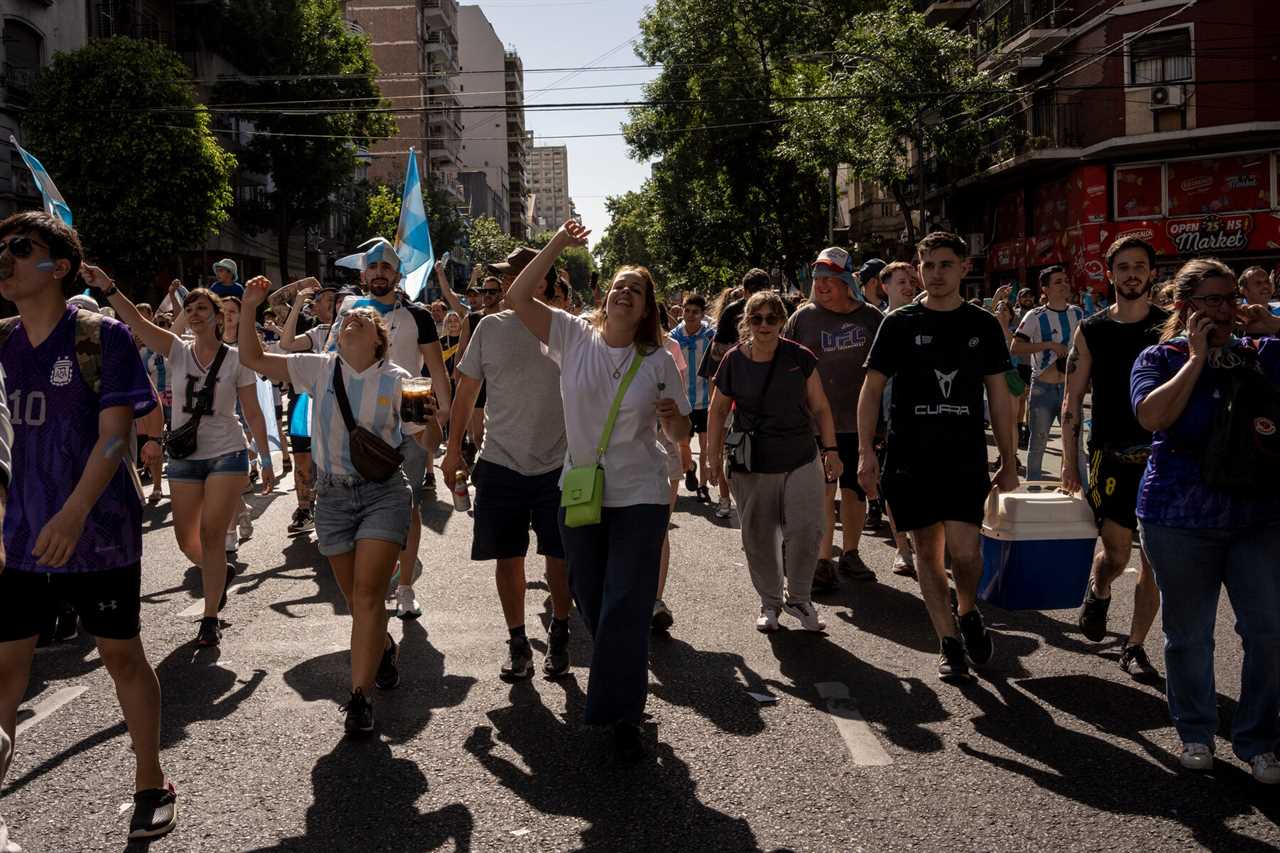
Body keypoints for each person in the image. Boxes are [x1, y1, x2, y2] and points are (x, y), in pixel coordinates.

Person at [0, 212, 176, 842]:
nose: (8, 258)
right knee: (5, 667)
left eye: (22, 248)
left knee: (121, 656)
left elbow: (115, 438)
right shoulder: (1, 345)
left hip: (98, 535)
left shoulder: (101, 338)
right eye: (3, 249)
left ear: (61, 266)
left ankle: (150, 779)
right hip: (17, 541)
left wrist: (73, 513)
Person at [505, 220, 691, 762]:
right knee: (588, 593)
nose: (624, 292)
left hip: (641, 494)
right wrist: (559, 244)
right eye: (618, 285)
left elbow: (681, 435)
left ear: (646, 307)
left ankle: (624, 711)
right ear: (604, 298)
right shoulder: (571, 336)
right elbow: (519, 294)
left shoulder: (657, 360)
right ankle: (623, 685)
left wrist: (674, 417)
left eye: (636, 288)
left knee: (628, 601)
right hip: (581, 490)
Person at [238, 276, 439, 734]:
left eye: (364, 318)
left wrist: (433, 424)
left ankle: (359, 697)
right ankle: (383, 646)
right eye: (348, 315)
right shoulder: (318, 368)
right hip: (330, 497)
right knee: (355, 600)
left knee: (369, 596)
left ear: (379, 342)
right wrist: (250, 307)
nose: (353, 318)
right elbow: (252, 358)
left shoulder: (399, 382)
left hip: (382, 494)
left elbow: (427, 441)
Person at [1131, 257, 1280, 783]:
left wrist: (1275, 329)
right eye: (1211, 300)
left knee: (1268, 630)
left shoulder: (1263, 354)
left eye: (1229, 299)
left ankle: (1259, 739)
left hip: (1256, 516)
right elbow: (1152, 416)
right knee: (1189, 633)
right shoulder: (1159, 356)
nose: (1223, 310)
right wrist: (1195, 360)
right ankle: (1195, 731)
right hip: (1178, 517)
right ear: (1184, 307)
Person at [857, 231, 1019, 682]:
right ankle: (948, 641)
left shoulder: (982, 325)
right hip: (910, 454)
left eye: (946, 264)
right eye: (928, 266)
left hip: (964, 455)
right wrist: (865, 453)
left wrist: (1009, 457)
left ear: (964, 267)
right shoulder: (899, 323)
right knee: (927, 552)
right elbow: (870, 391)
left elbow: (1000, 395)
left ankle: (967, 610)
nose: (936, 274)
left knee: (967, 554)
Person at [104, 273, 274, 646]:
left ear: (218, 317)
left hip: (227, 455)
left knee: (213, 535)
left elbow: (253, 413)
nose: (194, 313)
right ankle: (218, 572)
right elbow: (136, 322)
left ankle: (209, 617)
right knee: (186, 540)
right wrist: (110, 287)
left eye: (202, 308)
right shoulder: (177, 350)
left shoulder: (236, 360)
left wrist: (266, 458)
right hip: (183, 457)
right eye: (190, 308)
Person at [440, 258, 574, 682]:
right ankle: (518, 642)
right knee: (508, 555)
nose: (509, 282)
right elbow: (466, 392)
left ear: (543, 281)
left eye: (521, 273)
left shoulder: (565, 327)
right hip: (499, 462)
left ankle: (560, 631)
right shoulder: (489, 328)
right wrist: (452, 449)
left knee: (559, 557)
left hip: (557, 465)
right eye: (510, 275)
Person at [327, 239, 452, 621]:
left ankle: (406, 588)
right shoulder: (349, 312)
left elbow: (435, 369)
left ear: (398, 274)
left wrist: (443, 414)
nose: (380, 272)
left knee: (407, 505)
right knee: (357, 508)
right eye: (373, 266)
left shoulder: (417, 316)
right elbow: (330, 361)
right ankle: (376, 579)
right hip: (356, 430)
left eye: (387, 266)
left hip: (406, 426)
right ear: (363, 275)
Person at [1062, 236, 1166, 681]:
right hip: (1110, 456)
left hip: (1165, 459)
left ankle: (1136, 645)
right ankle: (1099, 587)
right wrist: (1069, 462)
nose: (1131, 274)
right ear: (1109, 275)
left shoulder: (1172, 327)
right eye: (1122, 267)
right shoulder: (1092, 330)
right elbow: (1071, 398)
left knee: (1156, 561)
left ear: (1152, 274)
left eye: (1139, 266)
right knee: (1117, 555)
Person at [707, 289, 841, 632]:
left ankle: (799, 598)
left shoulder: (800, 356)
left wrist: (831, 451)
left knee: (807, 528)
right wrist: (710, 458)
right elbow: (718, 409)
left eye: (771, 318)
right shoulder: (734, 360)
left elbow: (822, 408)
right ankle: (770, 603)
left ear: (782, 321)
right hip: (752, 463)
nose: (764, 324)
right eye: (757, 318)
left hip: (800, 456)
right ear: (747, 322)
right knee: (759, 535)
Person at [784, 247, 882, 591]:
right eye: (817, 279)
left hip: (861, 422)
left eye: (829, 279)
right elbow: (785, 366)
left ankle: (851, 553)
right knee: (824, 491)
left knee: (855, 490)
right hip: (815, 424)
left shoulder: (872, 317)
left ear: (845, 280)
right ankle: (823, 561)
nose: (822, 286)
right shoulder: (802, 318)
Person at [1012, 266, 1087, 483]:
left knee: (1075, 445)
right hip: (1042, 387)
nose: (1064, 285)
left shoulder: (1078, 313)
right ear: (1045, 289)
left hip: (1069, 389)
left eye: (1065, 280)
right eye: (1058, 282)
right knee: (1038, 444)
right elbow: (1015, 347)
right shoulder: (1035, 316)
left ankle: (1081, 493)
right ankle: (1033, 489)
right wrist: (1050, 345)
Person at [276, 279, 339, 536]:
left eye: (334, 299)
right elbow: (286, 344)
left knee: (331, 458)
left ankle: (333, 510)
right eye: (325, 299)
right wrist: (299, 300)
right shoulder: (316, 331)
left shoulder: (357, 325)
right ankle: (305, 509)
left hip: (336, 404)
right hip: (304, 401)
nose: (330, 303)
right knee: (301, 455)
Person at [668, 293, 721, 508]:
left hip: (704, 399)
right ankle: (689, 469)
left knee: (705, 443)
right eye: (687, 311)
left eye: (695, 312)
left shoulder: (709, 337)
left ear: (702, 314)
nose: (690, 316)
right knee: (683, 444)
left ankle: (703, 486)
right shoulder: (673, 337)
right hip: (682, 399)